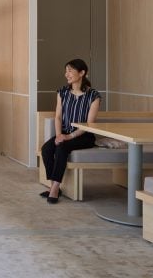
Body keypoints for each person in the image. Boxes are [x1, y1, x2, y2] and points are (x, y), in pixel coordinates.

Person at [40, 58, 100, 203]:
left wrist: (70, 136)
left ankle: (55, 188)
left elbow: (89, 124)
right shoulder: (62, 92)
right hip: (65, 133)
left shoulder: (94, 96)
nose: (67, 74)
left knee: (61, 148)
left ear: (82, 73)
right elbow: (58, 117)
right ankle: (53, 184)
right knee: (46, 149)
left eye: (70, 70)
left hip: (84, 135)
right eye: (66, 70)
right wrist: (60, 134)